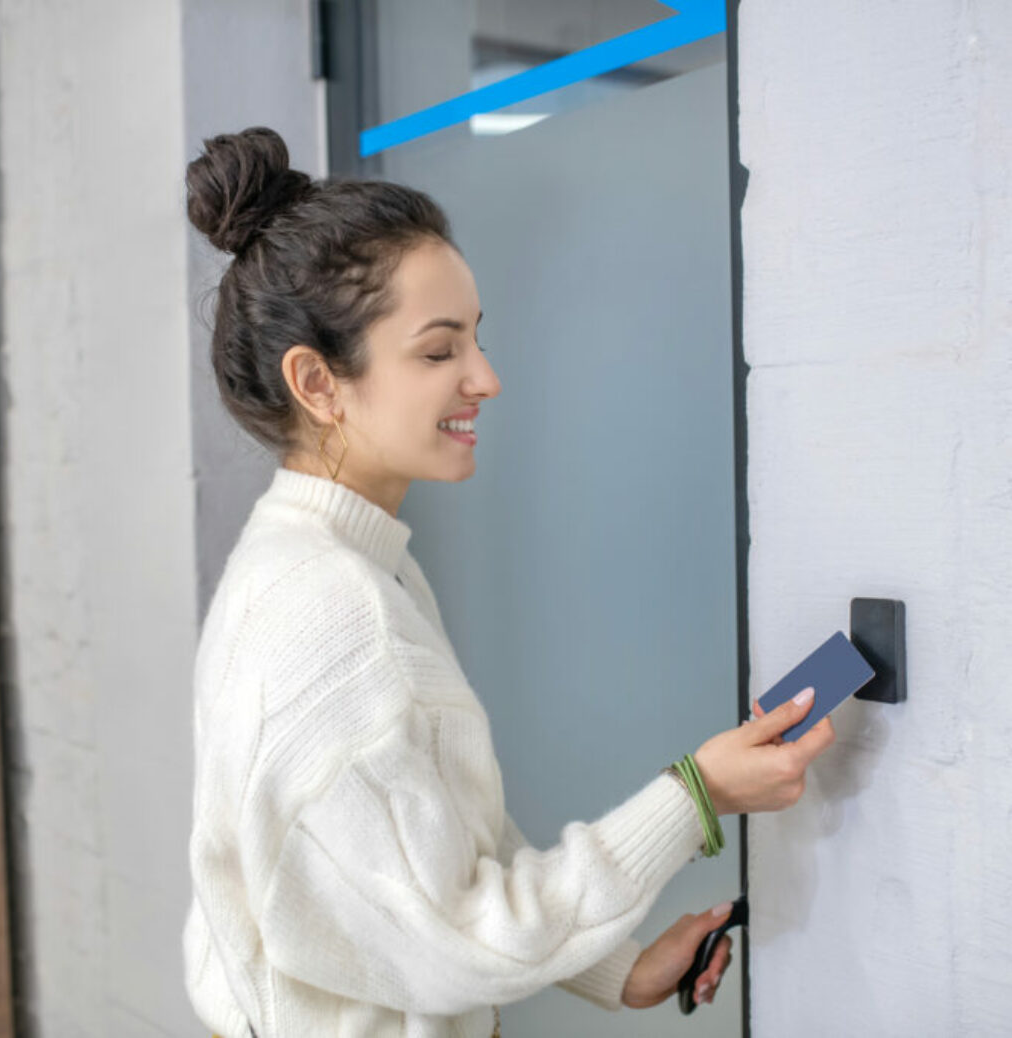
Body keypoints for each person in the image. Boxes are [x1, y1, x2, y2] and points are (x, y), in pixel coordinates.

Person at [181, 126, 836, 1038]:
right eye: (438, 350)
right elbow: (450, 933)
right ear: (318, 383)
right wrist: (695, 796)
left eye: (476, 340)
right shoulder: (335, 613)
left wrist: (618, 970)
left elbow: (434, 864)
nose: (484, 378)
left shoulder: (323, 566)